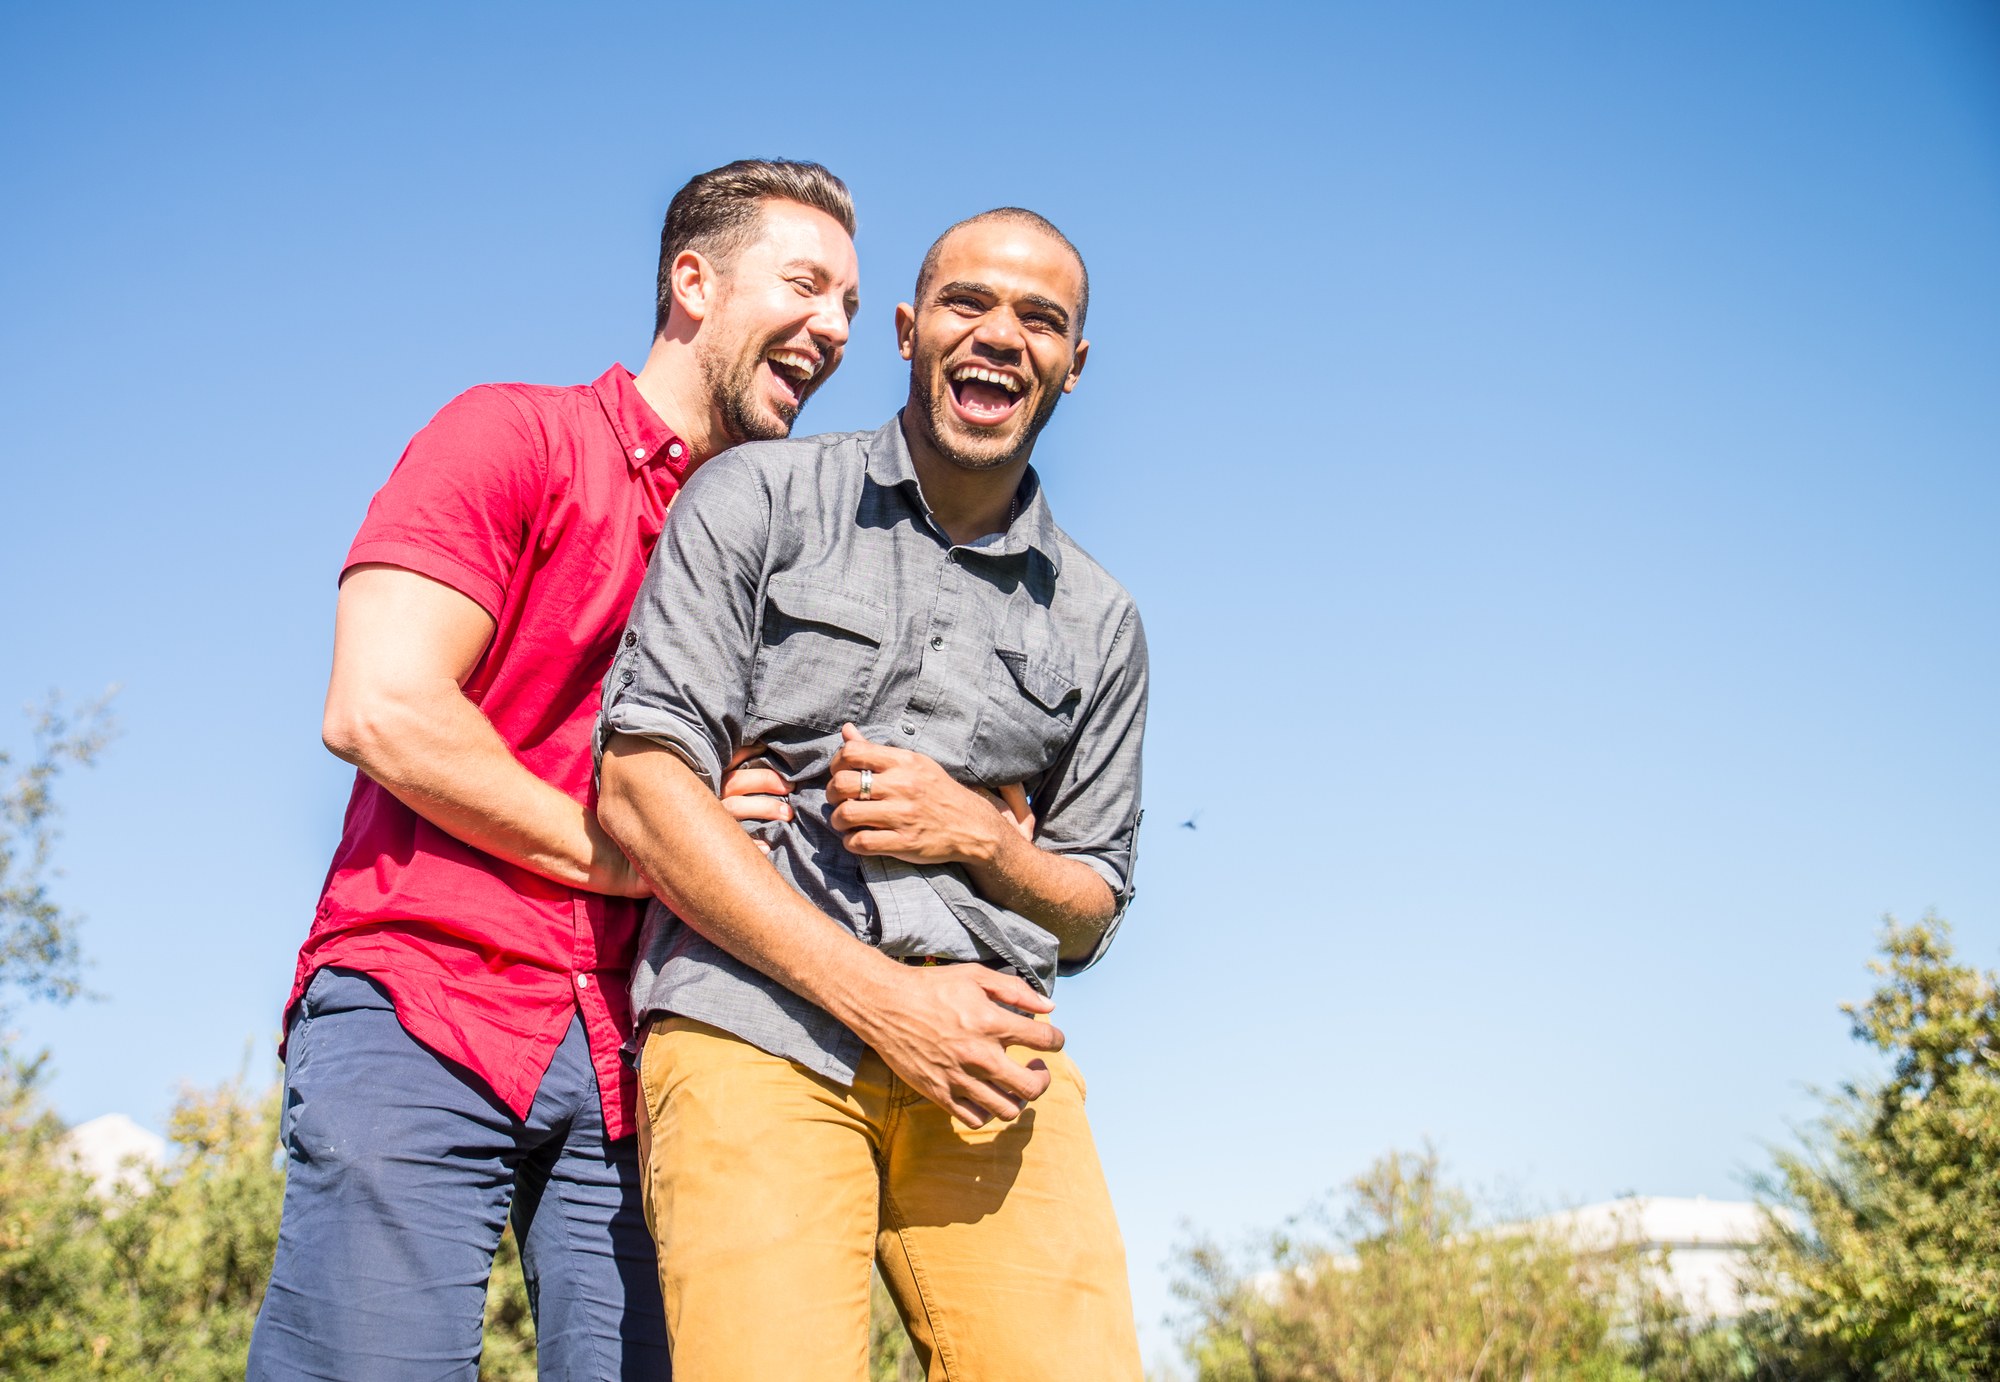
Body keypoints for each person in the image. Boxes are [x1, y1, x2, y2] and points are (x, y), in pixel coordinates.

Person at [248, 159, 862, 1380]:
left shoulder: (781, 560)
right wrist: (641, 854)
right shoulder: (510, 435)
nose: (837, 328)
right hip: (428, 995)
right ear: (692, 280)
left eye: (851, 301)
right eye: (807, 284)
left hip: (646, 1055)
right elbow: (380, 706)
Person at [597, 207, 1149, 1381]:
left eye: (1038, 318)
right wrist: (889, 1002)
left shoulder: (1100, 621)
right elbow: (644, 784)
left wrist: (982, 843)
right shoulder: (757, 498)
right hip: (752, 1022)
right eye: (966, 304)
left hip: (991, 1058)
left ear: (1073, 362)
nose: (998, 335)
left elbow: (1093, 905)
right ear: (908, 330)